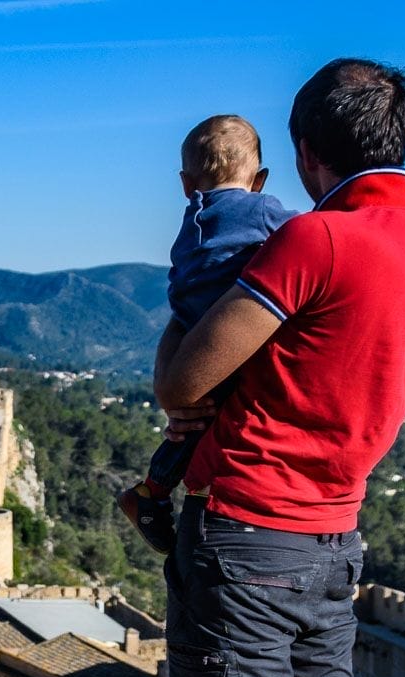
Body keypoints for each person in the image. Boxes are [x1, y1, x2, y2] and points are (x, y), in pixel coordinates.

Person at [153, 59, 405, 677]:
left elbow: (185, 380)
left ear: (309, 151)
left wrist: (181, 321)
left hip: (245, 539)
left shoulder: (316, 240)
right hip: (334, 544)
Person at [117, 115, 296, 554]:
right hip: (231, 335)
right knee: (214, 418)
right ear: (261, 179)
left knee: (188, 426)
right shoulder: (263, 209)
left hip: (191, 328)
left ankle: (153, 491)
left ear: (185, 182)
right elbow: (307, 236)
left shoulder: (190, 221)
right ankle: (155, 495)